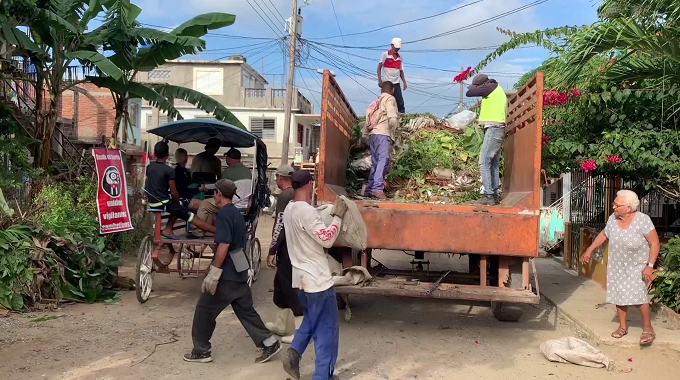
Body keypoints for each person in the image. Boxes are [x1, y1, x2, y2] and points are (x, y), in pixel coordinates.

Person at [184, 179, 281, 363]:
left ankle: (201, 350)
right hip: (240, 271)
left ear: (219, 194)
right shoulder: (236, 214)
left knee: (204, 310)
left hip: (227, 274)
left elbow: (223, 245)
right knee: (246, 311)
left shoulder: (223, 215)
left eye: (215, 193)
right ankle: (269, 343)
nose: (214, 196)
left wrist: (214, 272)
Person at [281, 170, 348, 380]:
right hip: (317, 280)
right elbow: (327, 239)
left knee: (312, 318)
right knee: (326, 331)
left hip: (300, 279)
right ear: (309, 185)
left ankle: (294, 351)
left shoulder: (289, 209)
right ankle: (322, 376)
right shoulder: (306, 212)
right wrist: (337, 216)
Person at [581, 190, 660, 346]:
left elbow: (655, 243)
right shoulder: (613, 219)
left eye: (617, 205)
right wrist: (589, 249)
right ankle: (622, 326)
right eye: (614, 204)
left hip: (637, 265)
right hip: (617, 264)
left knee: (639, 296)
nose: (614, 208)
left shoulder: (643, 220)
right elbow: (604, 234)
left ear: (628, 208)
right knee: (619, 294)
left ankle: (648, 328)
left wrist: (649, 266)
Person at [144, 141, 215, 239]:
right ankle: (217, 232)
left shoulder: (149, 167)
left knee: (178, 206)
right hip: (163, 202)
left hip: (152, 201)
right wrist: (177, 203)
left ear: (155, 153)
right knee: (193, 217)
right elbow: (174, 193)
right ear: (167, 155)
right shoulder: (169, 170)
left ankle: (168, 230)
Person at [265, 164, 303, 344]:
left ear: (280, 177)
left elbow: (279, 226)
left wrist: (272, 250)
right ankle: (280, 324)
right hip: (294, 244)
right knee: (280, 284)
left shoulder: (284, 196)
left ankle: (300, 331)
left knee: (289, 286)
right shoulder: (294, 194)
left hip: (286, 247)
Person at [466, 73, 507, 205]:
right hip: (498, 128)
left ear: (483, 84)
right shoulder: (495, 89)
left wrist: (475, 87)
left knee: (483, 161)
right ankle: (493, 195)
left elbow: (469, 93)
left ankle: (488, 195)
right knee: (493, 163)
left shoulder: (491, 87)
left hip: (494, 129)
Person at [192, 148, 252, 236]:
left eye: (226, 157)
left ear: (230, 158)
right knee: (211, 207)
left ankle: (198, 231)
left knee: (205, 204)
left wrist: (205, 187)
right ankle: (209, 230)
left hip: (230, 203)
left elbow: (220, 187)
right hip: (244, 205)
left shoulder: (228, 171)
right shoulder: (248, 171)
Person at [364, 81, 399, 199]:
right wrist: (394, 130)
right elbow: (392, 117)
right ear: (392, 90)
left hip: (373, 135)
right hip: (383, 134)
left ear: (381, 90)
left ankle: (369, 189)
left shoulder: (377, 101)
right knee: (383, 160)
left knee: (376, 162)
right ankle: (377, 189)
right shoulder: (390, 99)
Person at [377, 37, 406, 114]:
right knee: (385, 101)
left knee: (400, 103)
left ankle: (401, 119)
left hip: (396, 83)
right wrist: (379, 80)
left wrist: (404, 82)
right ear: (391, 45)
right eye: (395, 47)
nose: (396, 49)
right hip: (387, 83)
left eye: (398, 48)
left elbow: (401, 71)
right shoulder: (385, 55)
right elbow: (379, 67)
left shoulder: (400, 58)